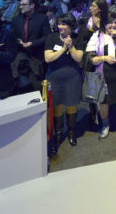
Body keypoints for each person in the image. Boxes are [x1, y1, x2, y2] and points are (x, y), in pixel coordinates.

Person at [86, 12, 116, 139]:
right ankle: (105, 124)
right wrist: (103, 58)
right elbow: (90, 58)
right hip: (102, 74)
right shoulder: (97, 36)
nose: (113, 25)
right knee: (103, 101)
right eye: (110, 22)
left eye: (115, 22)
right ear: (104, 24)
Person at [44, 14, 83, 151]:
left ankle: (72, 133)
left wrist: (71, 46)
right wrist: (63, 49)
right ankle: (58, 134)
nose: (60, 26)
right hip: (54, 78)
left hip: (73, 78)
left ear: (71, 27)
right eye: (59, 23)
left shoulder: (78, 38)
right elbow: (48, 58)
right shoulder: (52, 37)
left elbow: (78, 58)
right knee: (57, 106)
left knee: (71, 105)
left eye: (63, 24)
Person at [11, 0, 51, 93]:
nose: (21, 7)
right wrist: (18, 41)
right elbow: (12, 36)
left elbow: (47, 36)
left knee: (36, 87)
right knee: (21, 87)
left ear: (32, 6)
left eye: (24, 4)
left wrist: (32, 43)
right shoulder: (16, 19)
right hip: (22, 57)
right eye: (20, 5)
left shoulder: (42, 19)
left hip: (37, 57)